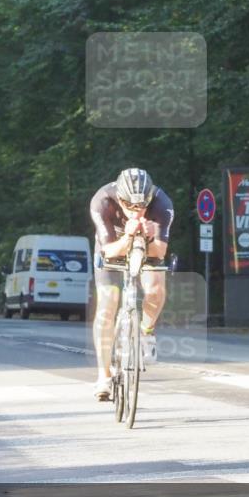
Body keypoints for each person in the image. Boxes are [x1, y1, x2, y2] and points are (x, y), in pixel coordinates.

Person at [89, 168, 174, 401]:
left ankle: (146, 332)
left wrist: (149, 236)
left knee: (156, 289)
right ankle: (104, 376)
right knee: (107, 303)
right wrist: (127, 237)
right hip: (113, 246)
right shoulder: (102, 201)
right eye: (130, 206)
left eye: (142, 206)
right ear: (120, 199)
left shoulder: (162, 204)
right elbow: (108, 251)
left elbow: (160, 251)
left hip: (146, 247)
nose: (137, 211)